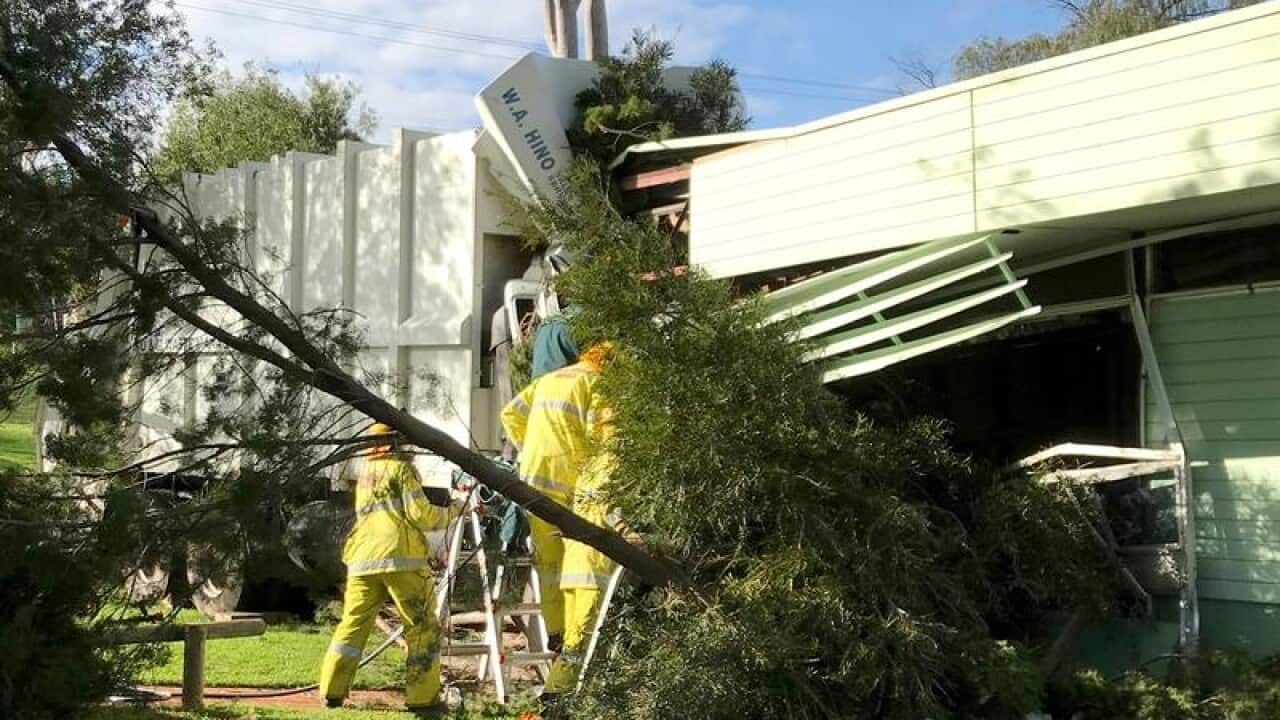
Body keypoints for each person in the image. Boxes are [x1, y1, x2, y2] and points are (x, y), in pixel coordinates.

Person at [319, 423, 455, 715]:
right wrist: (455, 510)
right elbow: (421, 515)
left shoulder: (366, 473)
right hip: (400, 559)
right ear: (395, 443)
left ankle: (331, 691)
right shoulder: (401, 470)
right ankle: (423, 699)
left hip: (362, 560)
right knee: (422, 626)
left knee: (352, 624)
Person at [499, 342, 609, 655]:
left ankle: (556, 632)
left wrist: (528, 448)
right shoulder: (597, 382)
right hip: (569, 479)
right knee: (577, 558)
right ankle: (576, 639)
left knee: (548, 562)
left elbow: (510, 414)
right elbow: (598, 436)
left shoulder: (551, 379)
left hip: (534, 477)